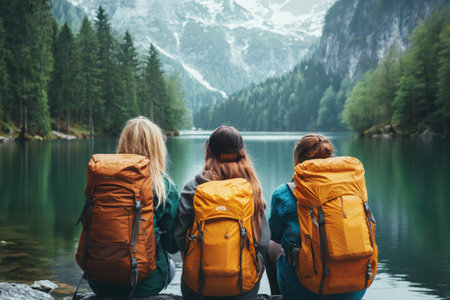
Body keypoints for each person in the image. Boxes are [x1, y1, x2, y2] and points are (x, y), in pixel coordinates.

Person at [87, 116, 180, 298]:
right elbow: (172, 245)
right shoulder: (163, 187)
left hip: (98, 280)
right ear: (156, 147)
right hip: (144, 284)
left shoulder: (102, 180)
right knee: (171, 267)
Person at [174, 125, 270, 300]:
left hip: (197, 288)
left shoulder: (193, 188)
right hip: (244, 288)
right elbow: (263, 242)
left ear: (209, 151)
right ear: (242, 153)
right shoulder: (251, 188)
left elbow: (180, 238)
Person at [267, 134, 367, 300]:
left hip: (305, 289)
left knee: (270, 246)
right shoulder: (352, 190)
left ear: (298, 161)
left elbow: (274, 236)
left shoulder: (284, 193)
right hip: (355, 287)